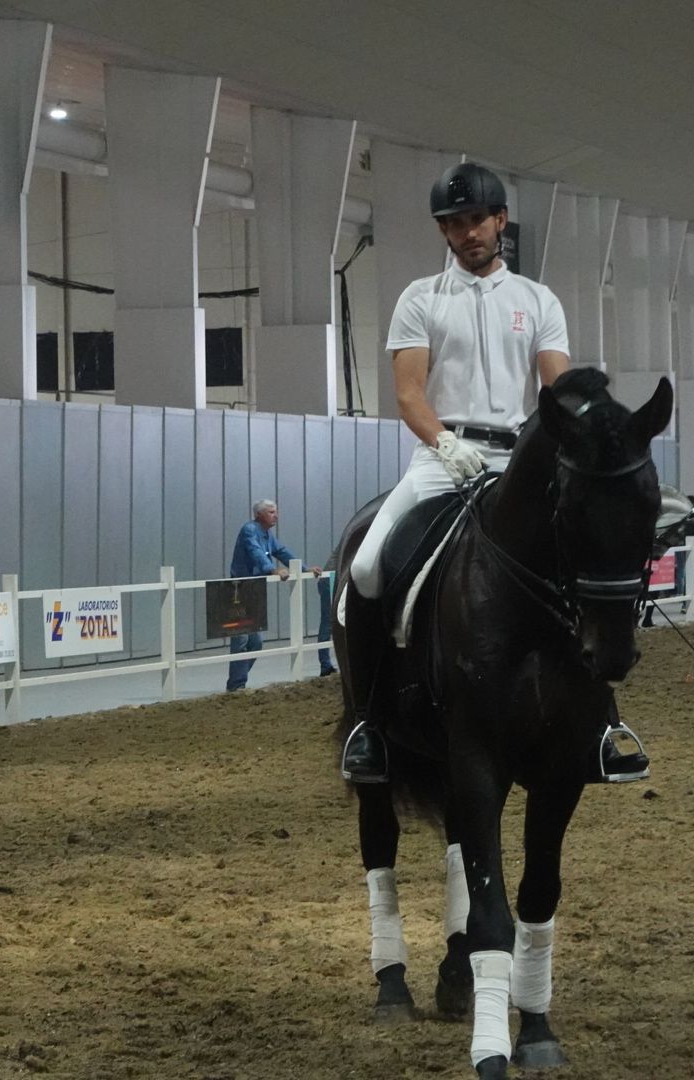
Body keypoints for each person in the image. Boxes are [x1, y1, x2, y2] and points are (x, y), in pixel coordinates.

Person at [339, 160, 645, 785]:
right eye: (453, 223)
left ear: (500, 220)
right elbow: (408, 394)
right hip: (441, 458)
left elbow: (557, 392)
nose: (465, 231)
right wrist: (446, 444)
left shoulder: (536, 300)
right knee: (368, 566)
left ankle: (605, 720)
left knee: (581, 571)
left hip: (519, 461)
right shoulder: (419, 299)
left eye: (475, 219)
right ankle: (368, 723)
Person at [226, 499, 328, 691]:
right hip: (239, 589)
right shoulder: (249, 530)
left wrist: (304, 569)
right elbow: (256, 553)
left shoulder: (267, 534)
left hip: (254, 589)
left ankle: (237, 683)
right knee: (241, 640)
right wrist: (272, 570)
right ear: (259, 515)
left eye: (276, 512)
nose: (276, 515)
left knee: (256, 642)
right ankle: (236, 686)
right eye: (271, 512)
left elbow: (282, 551)